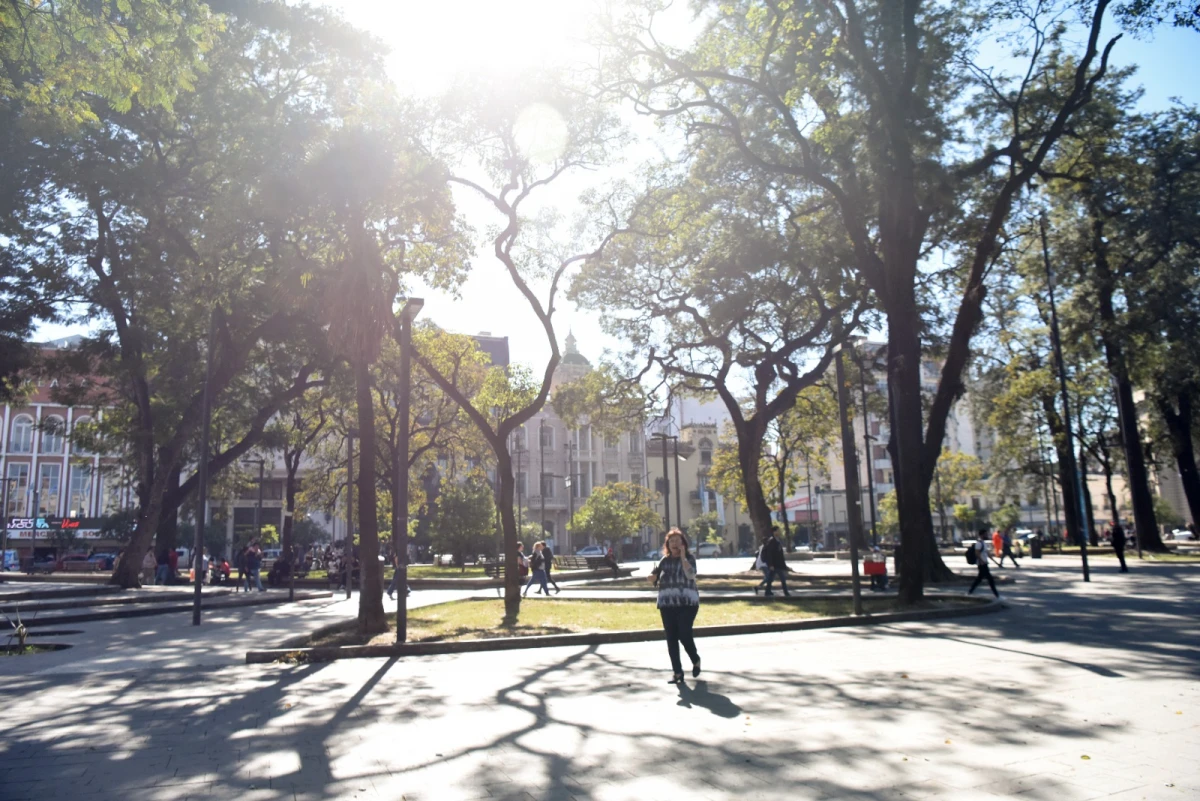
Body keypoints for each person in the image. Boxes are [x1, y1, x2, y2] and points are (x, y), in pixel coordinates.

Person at [649, 528, 701, 684]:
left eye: (678, 540)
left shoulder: (690, 558)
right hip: (667, 603)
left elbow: (691, 575)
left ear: (683, 543)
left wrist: (683, 557)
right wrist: (651, 577)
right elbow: (653, 577)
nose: (675, 543)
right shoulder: (664, 561)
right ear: (667, 544)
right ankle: (677, 672)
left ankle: (695, 658)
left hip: (687, 602)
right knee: (671, 638)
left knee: (684, 634)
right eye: (671, 541)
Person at [968, 530, 1001, 600]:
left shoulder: (983, 543)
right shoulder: (979, 543)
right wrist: (982, 561)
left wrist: (995, 562)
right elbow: (977, 553)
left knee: (979, 579)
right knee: (990, 579)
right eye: (985, 534)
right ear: (982, 535)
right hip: (981, 564)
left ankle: (970, 592)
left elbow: (987, 553)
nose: (987, 535)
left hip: (984, 563)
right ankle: (997, 595)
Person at [761, 526, 791, 597]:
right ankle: (786, 592)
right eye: (778, 530)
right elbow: (769, 554)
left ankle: (768, 591)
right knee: (781, 578)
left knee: (771, 578)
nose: (779, 532)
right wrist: (770, 564)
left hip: (778, 564)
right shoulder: (772, 541)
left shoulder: (777, 540)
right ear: (774, 532)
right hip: (774, 564)